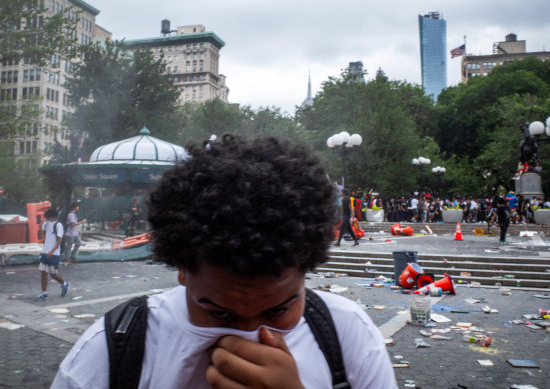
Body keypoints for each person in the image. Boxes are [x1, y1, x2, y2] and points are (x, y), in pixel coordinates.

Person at [51, 135, 396, 388]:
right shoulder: (114, 348)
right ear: (183, 272)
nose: (249, 338)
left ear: (305, 273)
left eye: (278, 311)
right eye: (219, 313)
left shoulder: (347, 334)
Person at [36, 209, 69, 301]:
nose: (47, 219)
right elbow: (40, 236)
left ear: (53, 217)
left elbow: (59, 240)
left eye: (49, 217)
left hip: (54, 254)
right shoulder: (46, 224)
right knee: (43, 273)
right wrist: (41, 225)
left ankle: (64, 283)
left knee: (53, 275)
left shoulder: (58, 225)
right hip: (44, 252)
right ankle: (44, 293)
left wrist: (52, 251)